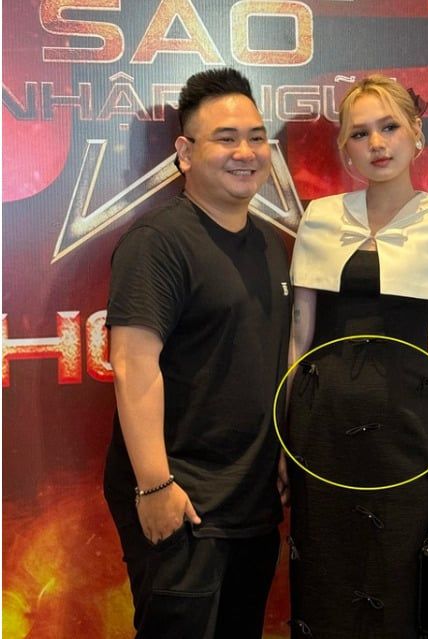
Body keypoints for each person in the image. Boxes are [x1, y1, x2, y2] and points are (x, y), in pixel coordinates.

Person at [283, 75, 428, 638]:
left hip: (407, 431)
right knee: (324, 582)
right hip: (320, 430)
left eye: (389, 126)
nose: (377, 143)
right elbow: (299, 334)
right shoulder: (320, 216)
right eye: (360, 133)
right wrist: (282, 439)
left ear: (416, 133)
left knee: (401, 582)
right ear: (345, 149)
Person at [103, 68, 291, 639]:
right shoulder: (157, 243)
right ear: (185, 153)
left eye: (256, 138)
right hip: (181, 502)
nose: (246, 153)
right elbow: (133, 365)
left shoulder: (271, 244)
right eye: (225, 139)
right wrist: (155, 486)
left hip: (252, 504)